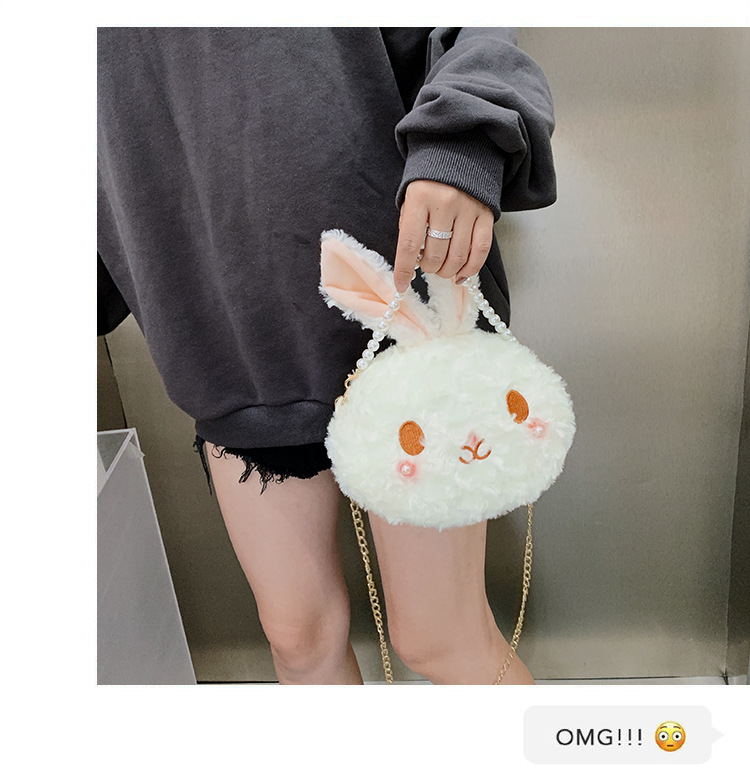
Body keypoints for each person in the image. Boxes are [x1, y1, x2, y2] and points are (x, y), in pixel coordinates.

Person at [98, 27, 557, 684]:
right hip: (225, 338)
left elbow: (469, 25)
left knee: (439, 636)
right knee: (298, 638)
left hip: (407, 316)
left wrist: (465, 138)